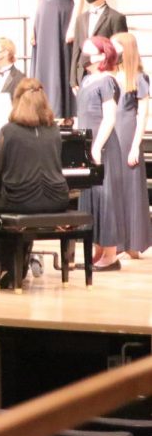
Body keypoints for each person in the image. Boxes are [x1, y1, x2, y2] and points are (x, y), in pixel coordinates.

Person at [0, 79, 70, 284]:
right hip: (57, 199)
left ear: (18, 101)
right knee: (20, 210)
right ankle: (19, 265)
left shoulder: (9, 131)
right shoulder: (54, 130)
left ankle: (5, 268)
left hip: (21, 200)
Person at [76, 36, 125, 271]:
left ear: (102, 56)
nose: (84, 54)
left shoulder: (108, 81)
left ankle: (111, 255)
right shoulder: (87, 80)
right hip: (88, 144)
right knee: (92, 197)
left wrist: (96, 146)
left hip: (103, 146)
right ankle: (98, 249)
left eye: (89, 50)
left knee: (107, 198)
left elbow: (110, 117)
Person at [32, 0, 84, 118]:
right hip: (44, 18)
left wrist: (72, 27)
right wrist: (33, 27)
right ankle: (43, 109)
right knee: (44, 62)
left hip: (63, 16)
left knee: (61, 60)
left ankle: (64, 111)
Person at [113, 32, 151, 259]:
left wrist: (136, 145)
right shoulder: (110, 76)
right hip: (113, 134)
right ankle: (114, 241)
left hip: (128, 134)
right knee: (114, 188)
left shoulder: (139, 78)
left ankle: (133, 243)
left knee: (131, 189)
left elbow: (143, 114)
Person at [70, 0, 128, 95]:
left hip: (106, 72)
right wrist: (73, 78)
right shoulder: (81, 19)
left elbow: (122, 48)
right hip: (84, 73)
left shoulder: (116, 17)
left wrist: (115, 71)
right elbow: (76, 49)